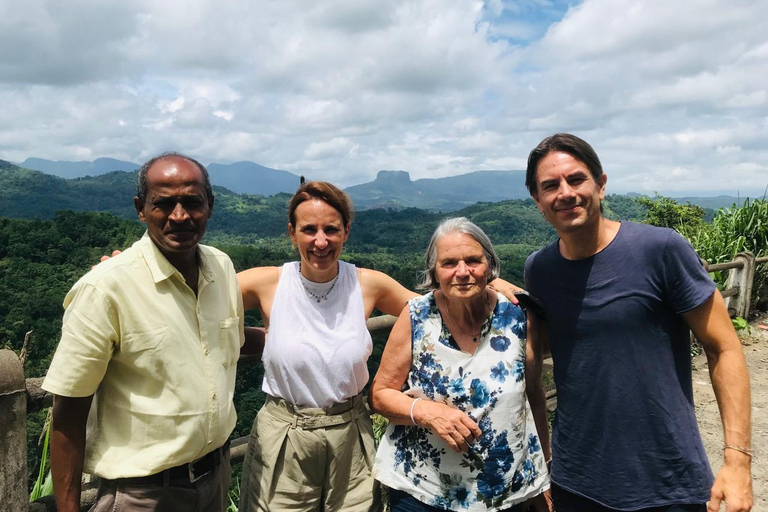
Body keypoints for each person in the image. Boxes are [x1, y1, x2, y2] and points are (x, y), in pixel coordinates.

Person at [523, 133, 753, 512]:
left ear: (600, 183)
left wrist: (737, 461)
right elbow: (556, 340)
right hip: (575, 480)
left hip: (666, 479)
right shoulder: (540, 269)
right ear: (538, 201)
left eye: (576, 179)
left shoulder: (660, 249)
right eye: (550, 186)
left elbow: (723, 347)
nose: (565, 193)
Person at [42, 153, 259, 512]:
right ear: (141, 208)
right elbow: (68, 410)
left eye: (192, 202)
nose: (180, 216)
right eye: (164, 204)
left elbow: (233, 340)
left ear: (210, 206)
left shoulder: (221, 268)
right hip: (142, 494)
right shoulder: (106, 289)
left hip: (215, 477)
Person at [371, 217, 551, 512]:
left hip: (507, 490)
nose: (463, 272)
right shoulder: (417, 316)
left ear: (490, 267)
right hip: (424, 490)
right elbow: (379, 395)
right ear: (434, 271)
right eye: (449, 263)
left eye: (473, 260)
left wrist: (543, 473)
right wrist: (428, 412)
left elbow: (534, 397)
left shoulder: (519, 317)